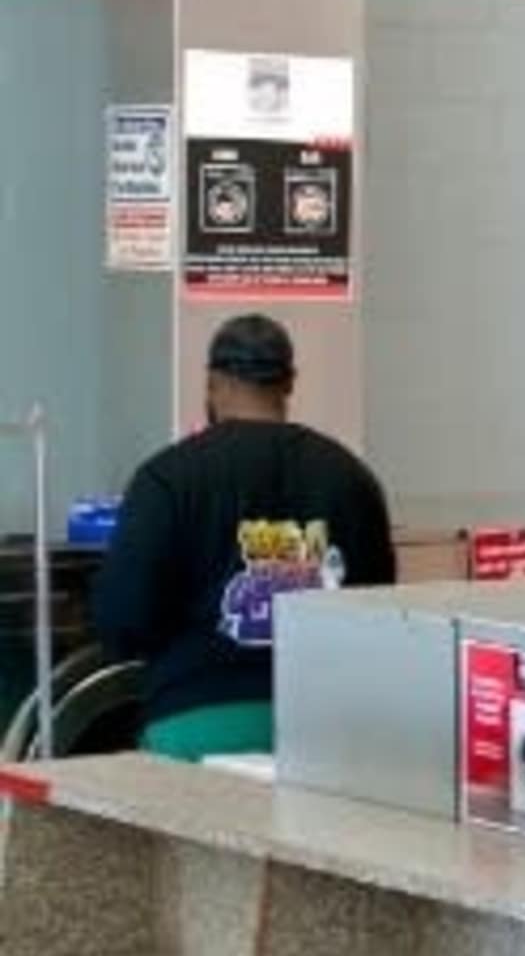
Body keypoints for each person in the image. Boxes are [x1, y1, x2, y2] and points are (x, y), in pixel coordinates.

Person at [91, 315, 398, 762]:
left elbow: (124, 618)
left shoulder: (168, 477)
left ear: (213, 385)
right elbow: (378, 611)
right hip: (321, 730)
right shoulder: (349, 477)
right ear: (289, 384)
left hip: (195, 721)